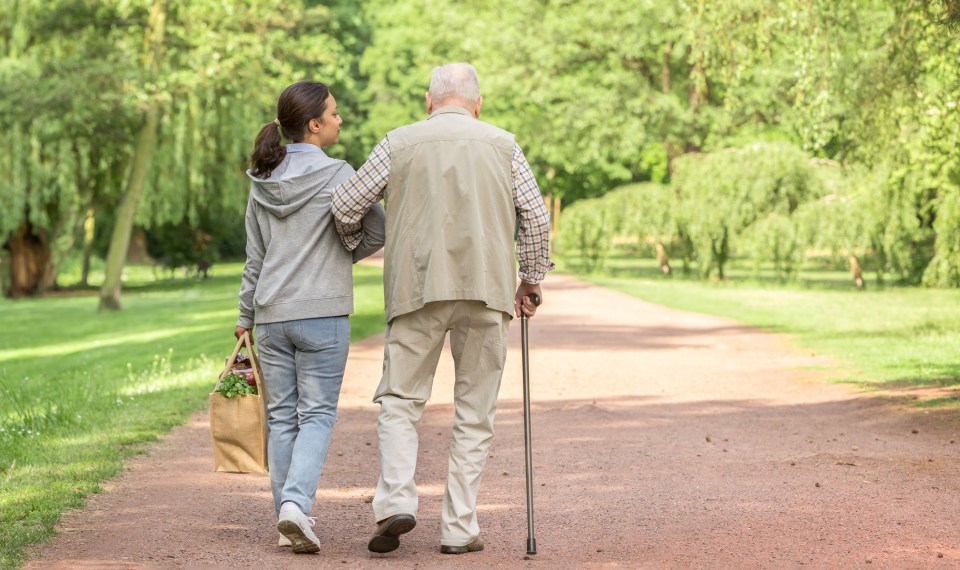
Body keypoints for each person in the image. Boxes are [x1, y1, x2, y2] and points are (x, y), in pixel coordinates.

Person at [331, 62, 553, 555]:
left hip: (417, 287)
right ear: (478, 104)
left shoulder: (399, 141)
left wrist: (358, 241)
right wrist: (530, 279)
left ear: (428, 102)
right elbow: (535, 217)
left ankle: (394, 503)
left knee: (401, 401)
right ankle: (458, 528)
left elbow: (345, 205)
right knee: (475, 413)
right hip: (487, 289)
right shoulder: (503, 143)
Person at [235, 80, 385, 554]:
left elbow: (254, 259)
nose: (341, 120)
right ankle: (296, 505)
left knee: (282, 419)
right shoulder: (340, 174)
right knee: (317, 415)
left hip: (271, 316)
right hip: (323, 313)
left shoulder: (262, 180)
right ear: (315, 125)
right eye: (335, 114)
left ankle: (287, 514)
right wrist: (343, 254)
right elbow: (378, 229)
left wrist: (245, 317)